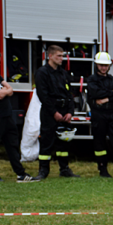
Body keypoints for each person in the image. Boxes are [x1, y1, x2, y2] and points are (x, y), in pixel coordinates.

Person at [33, 45, 79, 180]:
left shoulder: (63, 74)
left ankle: (64, 169)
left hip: (64, 110)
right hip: (50, 111)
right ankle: (43, 171)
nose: (61, 58)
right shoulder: (42, 73)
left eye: (62, 56)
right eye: (58, 56)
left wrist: (70, 112)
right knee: (47, 141)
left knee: (64, 142)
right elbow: (43, 95)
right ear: (50, 56)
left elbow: (70, 94)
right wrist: (54, 112)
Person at [0, 51, 36, 182]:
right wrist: (5, 92)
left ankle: (21, 174)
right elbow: (0, 94)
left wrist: (5, 91)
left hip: (7, 116)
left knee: (13, 145)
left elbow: (10, 89)